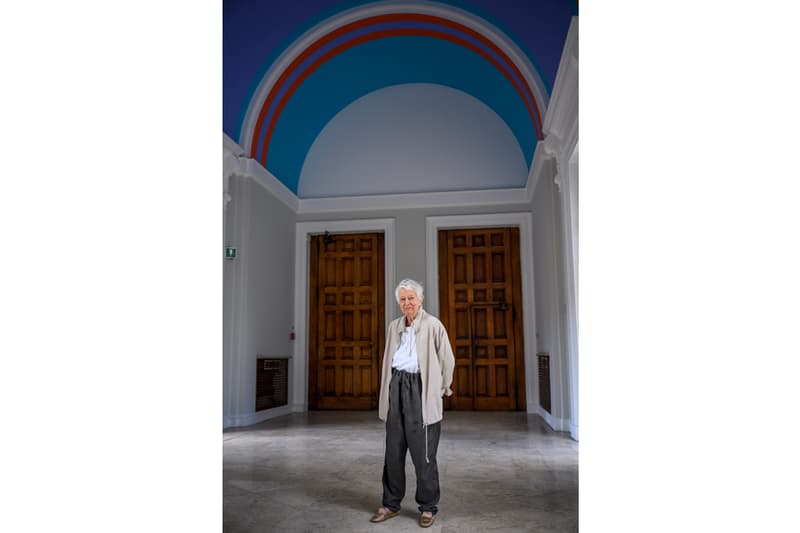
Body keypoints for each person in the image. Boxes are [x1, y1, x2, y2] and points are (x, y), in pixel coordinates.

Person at [370, 278, 455, 528]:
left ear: (421, 299)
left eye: (411, 298)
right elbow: (389, 360)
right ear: (399, 302)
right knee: (393, 452)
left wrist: (438, 390)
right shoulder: (393, 326)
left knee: (424, 454)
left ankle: (428, 507)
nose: (407, 303)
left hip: (421, 388)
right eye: (403, 299)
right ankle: (391, 504)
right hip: (397, 385)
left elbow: (447, 361)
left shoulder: (433, 325)